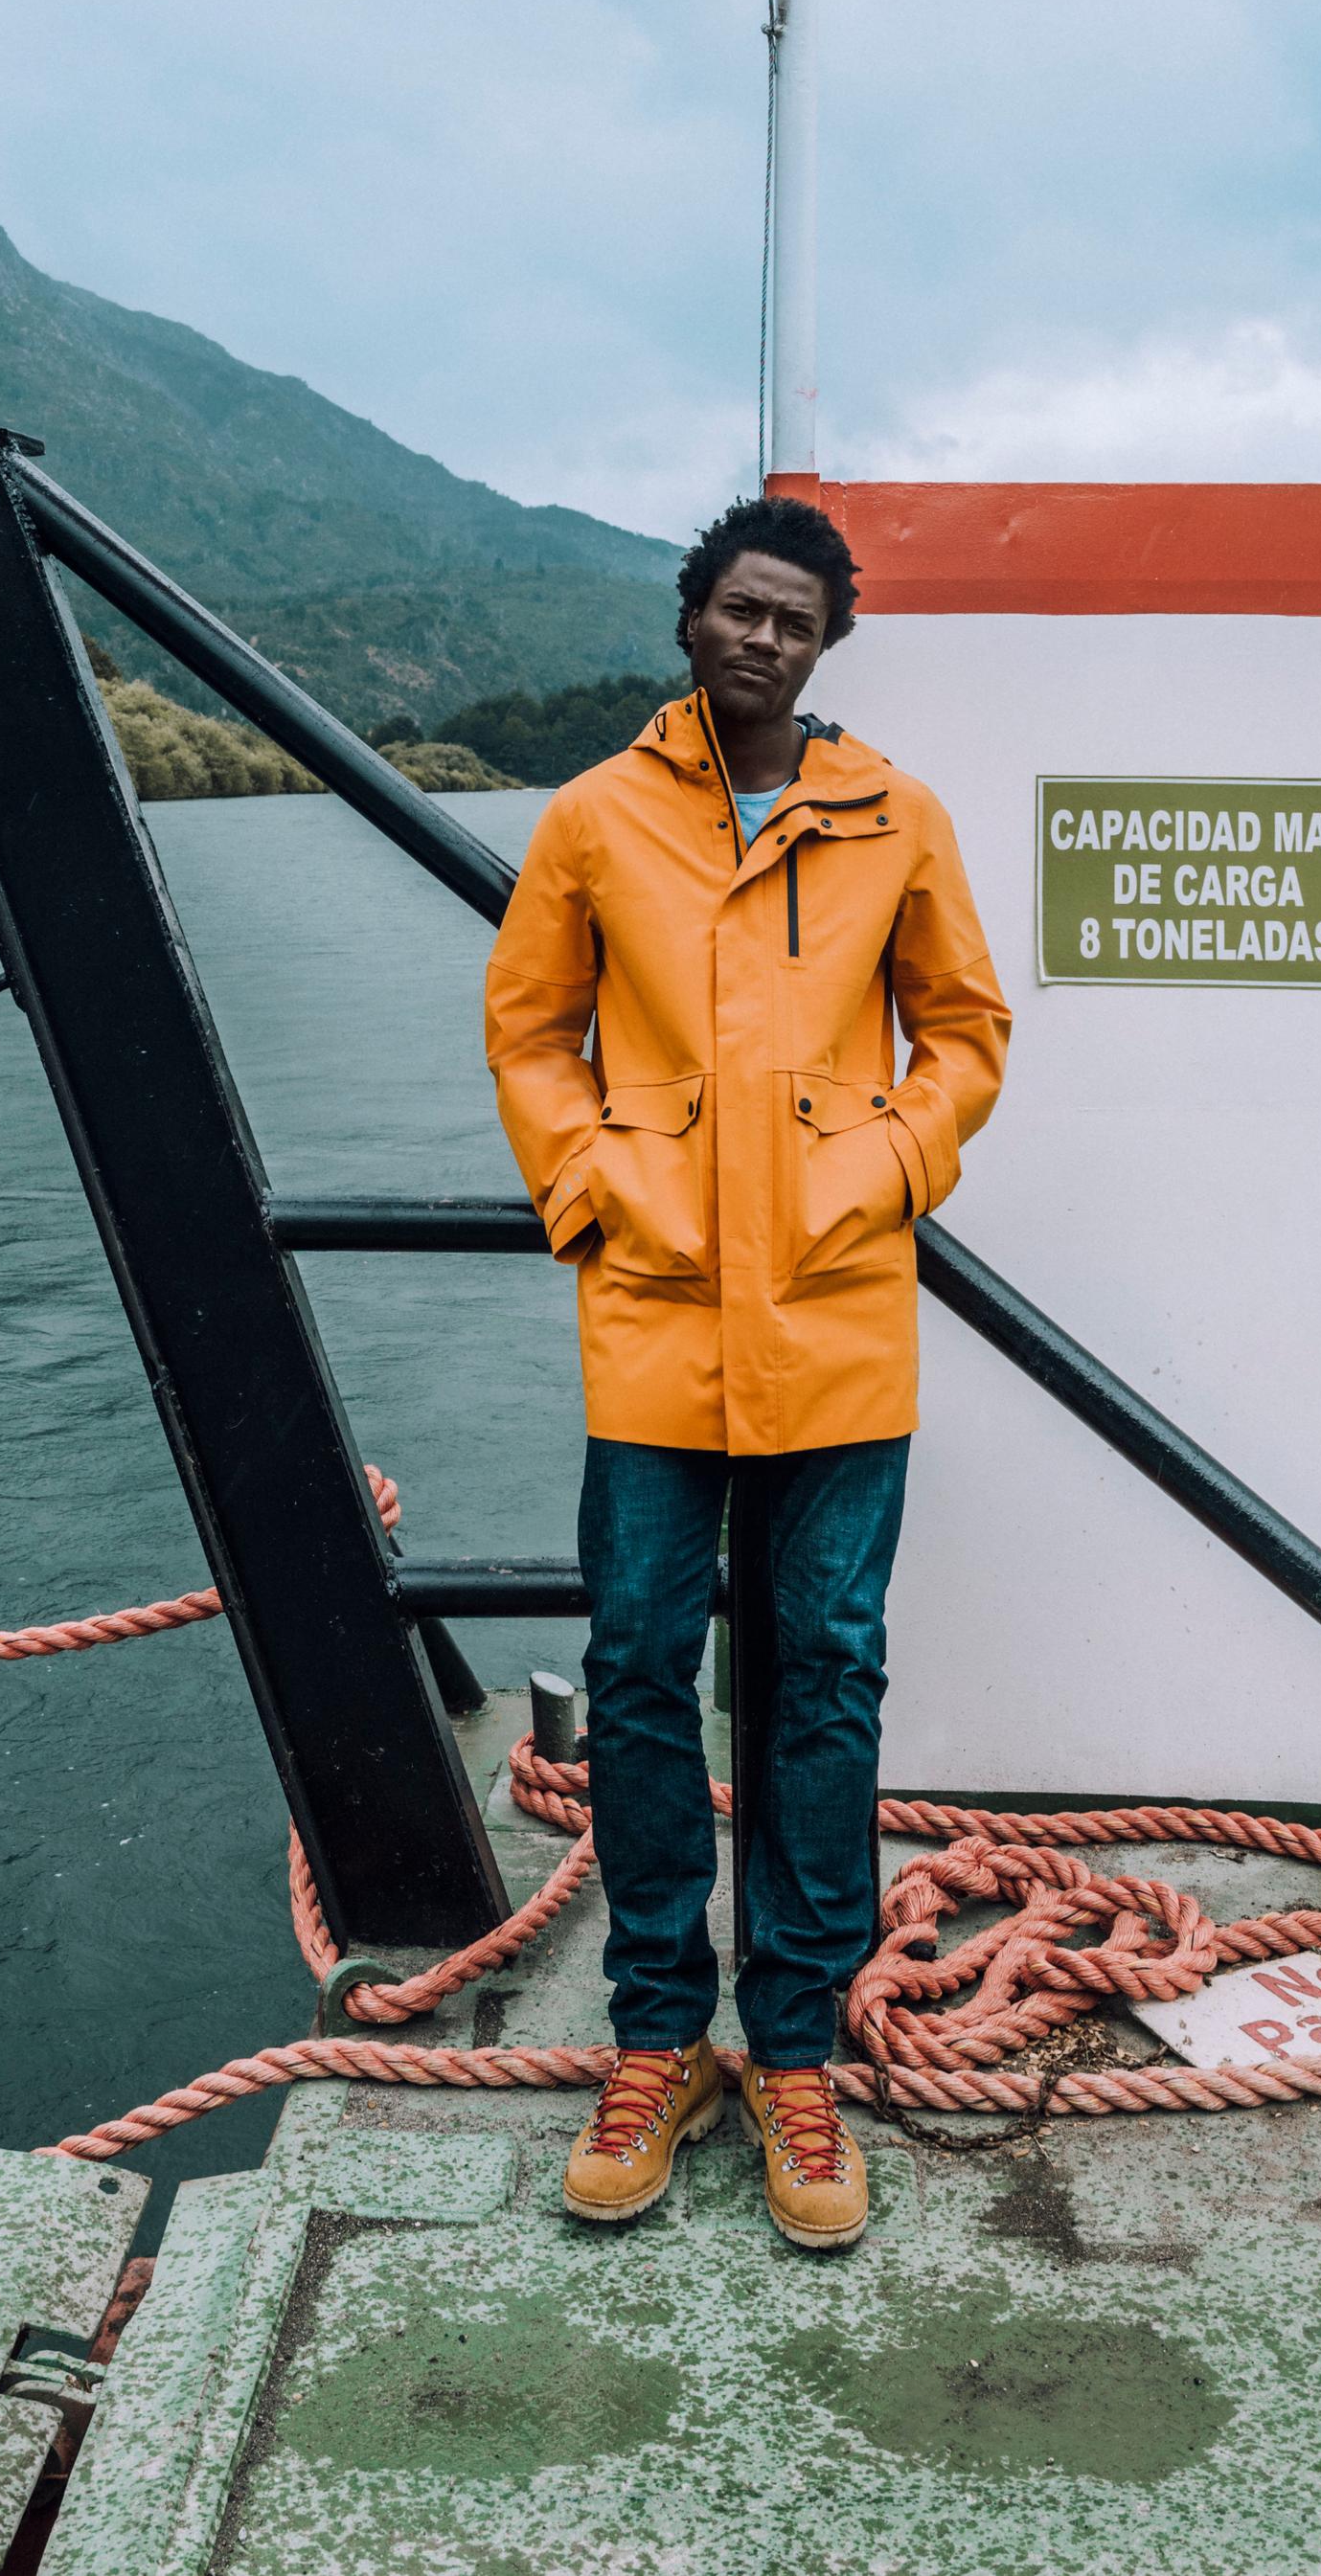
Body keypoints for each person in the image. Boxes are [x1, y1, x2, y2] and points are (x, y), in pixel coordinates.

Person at [484, 492, 1011, 2250]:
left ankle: (793, 2045)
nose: (763, 636)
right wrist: (597, 1185)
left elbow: (967, 1032)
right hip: (654, 1322)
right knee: (640, 1667)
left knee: (825, 1672)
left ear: (827, 642)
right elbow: (528, 1028)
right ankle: (657, 2032)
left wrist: (885, 1168)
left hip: (843, 1322)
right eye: (738, 607)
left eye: (795, 616)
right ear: (690, 619)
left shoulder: (898, 818)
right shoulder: (593, 818)